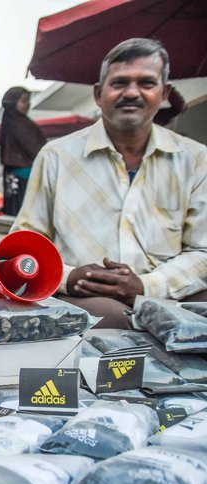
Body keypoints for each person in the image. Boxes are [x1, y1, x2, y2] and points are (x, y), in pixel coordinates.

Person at [12, 38, 207, 329]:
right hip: (86, 301)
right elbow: (22, 248)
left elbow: (202, 251)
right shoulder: (57, 157)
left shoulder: (195, 159)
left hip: (165, 293)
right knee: (109, 314)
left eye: (146, 83)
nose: (131, 92)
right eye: (119, 83)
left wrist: (145, 285)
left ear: (164, 93)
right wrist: (69, 277)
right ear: (98, 94)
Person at [0, 86, 47, 216]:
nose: (28, 104)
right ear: (13, 103)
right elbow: (34, 148)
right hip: (23, 174)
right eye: (24, 101)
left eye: (28, 101)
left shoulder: (14, 121)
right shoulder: (18, 123)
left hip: (17, 173)